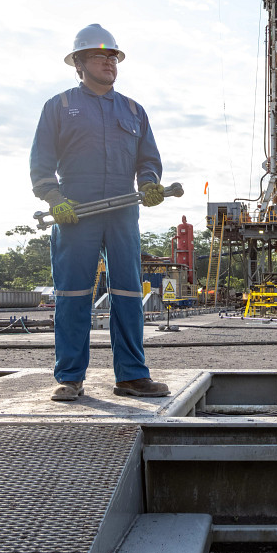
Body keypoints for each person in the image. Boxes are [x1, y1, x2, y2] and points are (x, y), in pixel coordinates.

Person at [30, 23, 171, 401]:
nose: (109, 62)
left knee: (127, 292)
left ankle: (132, 377)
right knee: (73, 293)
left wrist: (150, 182)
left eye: (114, 56)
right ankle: (69, 377)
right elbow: (41, 163)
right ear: (79, 62)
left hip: (123, 210)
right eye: (100, 55)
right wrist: (53, 198)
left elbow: (148, 159)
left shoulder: (133, 110)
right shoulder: (59, 106)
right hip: (75, 211)